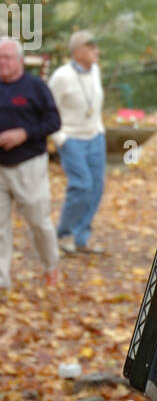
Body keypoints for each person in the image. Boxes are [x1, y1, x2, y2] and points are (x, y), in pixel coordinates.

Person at [0, 37, 61, 289]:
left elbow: (54, 123)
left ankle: (51, 266)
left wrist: (23, 133)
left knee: (38, 222)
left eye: (7, 57)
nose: (2, 62)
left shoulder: (36, 87)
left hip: (29, 165)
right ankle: (2, 280)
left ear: (20, 60)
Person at [48, 31, 107, 256]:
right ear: (77, 51)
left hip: (95, 137)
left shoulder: (96, 71)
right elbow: (48, 109)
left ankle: (81, 239)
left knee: (96, 187)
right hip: (71, 138)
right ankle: (62, 236)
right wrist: (60, 138)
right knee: (81, 185)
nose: (97, 52)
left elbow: (94, 103)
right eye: (92, 48)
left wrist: (99, 129)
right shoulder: (61, 76)